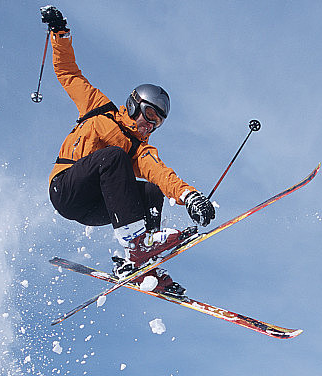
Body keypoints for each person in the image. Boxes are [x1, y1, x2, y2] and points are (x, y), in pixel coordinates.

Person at [41, 7, 215, 297]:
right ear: (134, 104)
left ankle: (142, 264)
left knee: (151, 191)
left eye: (157, 122)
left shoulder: (140, 150)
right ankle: (137, 243)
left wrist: (190, 196)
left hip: (95, 208)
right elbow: (68, 73)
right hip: (66, 189)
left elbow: (162, 174)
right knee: (113, 157)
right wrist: (60, 33)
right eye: (148, 114)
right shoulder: (99, 108)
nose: (149, 125)